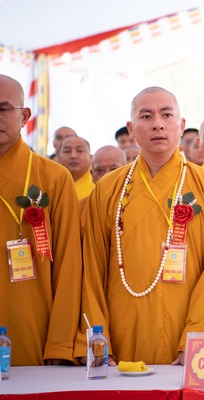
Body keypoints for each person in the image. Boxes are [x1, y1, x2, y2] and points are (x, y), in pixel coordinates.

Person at [75, 87, 204, 365]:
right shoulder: (108, 188)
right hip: (122, 332)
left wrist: (197, 339)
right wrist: (99, 340)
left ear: (181, 125)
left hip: (186, 336)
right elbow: (92, 269)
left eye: (166, 115)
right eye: (146, 116)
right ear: (131, 129)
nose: (158, 124)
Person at [0, 74, 82, 366]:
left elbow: (69, 265)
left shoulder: (53, 177)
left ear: (24, 116)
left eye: (3, 109)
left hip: (33, 323)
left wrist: (60, 343)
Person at [80, 146, 127, 226]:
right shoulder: (80, 207)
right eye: (100, 170)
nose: (106, 175)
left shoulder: (138, 204)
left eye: (114, 169)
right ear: (92, 175)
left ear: (126, 172)